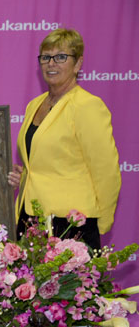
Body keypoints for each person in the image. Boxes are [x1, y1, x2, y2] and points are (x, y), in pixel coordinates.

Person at [8, 27, 120, 251]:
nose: (51, 63)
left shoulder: (88, 106)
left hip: (71, 223)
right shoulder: (34, 104)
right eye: (46, 57)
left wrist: (100, 223)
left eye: (61, 57)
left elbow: (106, 172)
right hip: (30, 217)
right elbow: (42, 163)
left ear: (78, 64)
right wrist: (23, 177)